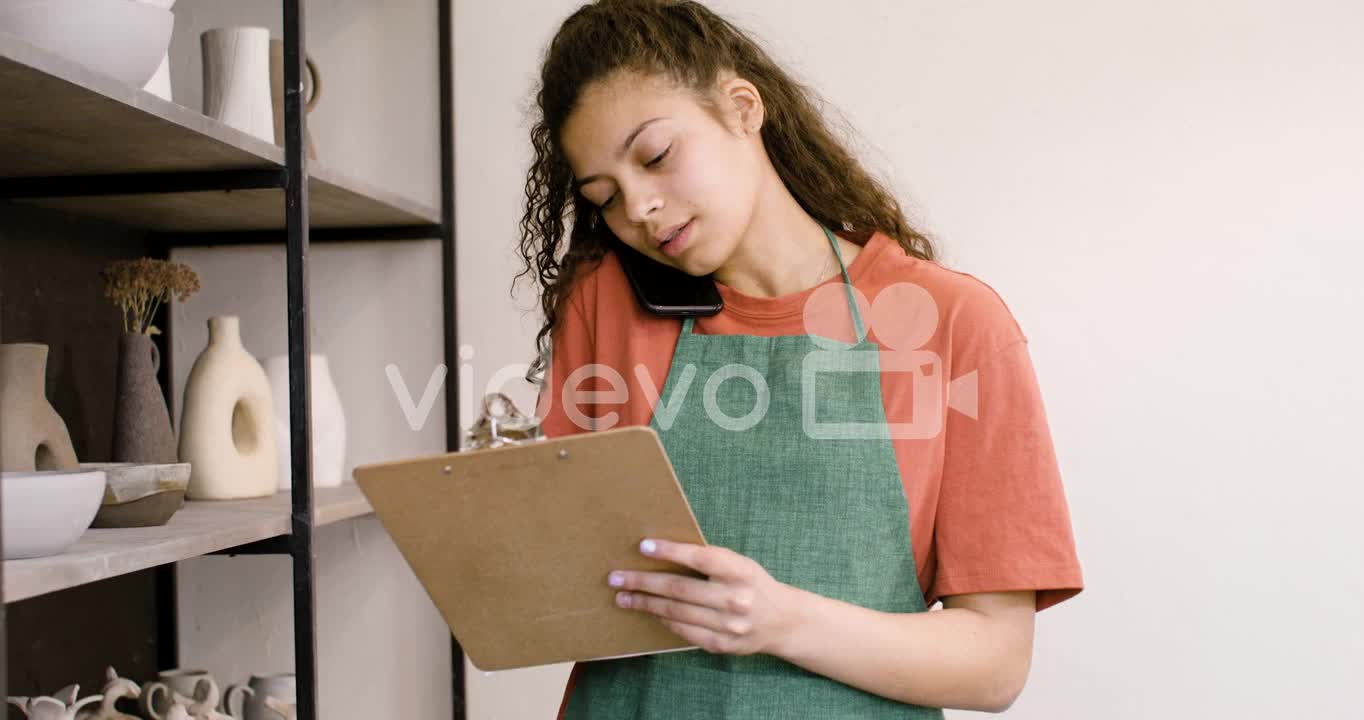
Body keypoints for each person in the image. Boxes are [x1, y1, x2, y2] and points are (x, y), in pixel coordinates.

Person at [515, 1, 1084, 717]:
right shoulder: (604, 302)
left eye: (656, 157)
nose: (643, 208)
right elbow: (572, 579)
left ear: (742, 107)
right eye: (607, 198)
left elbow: (994, 664)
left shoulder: (954, 325)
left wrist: (779, 621)